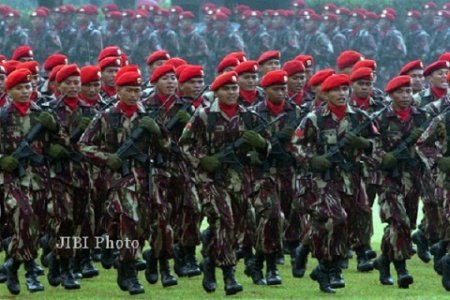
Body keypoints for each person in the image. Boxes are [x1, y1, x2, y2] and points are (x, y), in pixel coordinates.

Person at [180, 71, 271, 295]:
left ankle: (209, 264)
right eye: (226, 89)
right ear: (217, 92)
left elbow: (267, 147)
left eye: (234, 89)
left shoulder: (248, 116)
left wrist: (260, 144)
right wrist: (203, 160)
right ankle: (229, 274)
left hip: (239, 180)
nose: (231, 93)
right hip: (211, 180)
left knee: (237, 227)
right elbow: (184, 145)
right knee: (224, 220)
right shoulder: (204, 116)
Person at [79, 70, 168, 295]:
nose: (133, 94)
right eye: (128, 90)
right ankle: (130, 272)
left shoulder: (148, 116)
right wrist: (107, 158)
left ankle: (120, 256)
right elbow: (84, 145)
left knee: (144, 225)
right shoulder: (106, 116)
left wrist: (157, 132)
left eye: (137, 90)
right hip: (118, 180)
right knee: (131, 221)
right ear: (118, 91)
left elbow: (167, 147)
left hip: (146, 179)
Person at [290, 74, 376, 293]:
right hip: (324, 179)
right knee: (337, 218)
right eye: (336, 91)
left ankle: (308, 249)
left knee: (349, 223)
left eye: (345, 90)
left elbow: (379, 143)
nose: (341, 94)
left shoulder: (360, 117)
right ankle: (331, 268)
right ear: (326, 94)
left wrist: (366, 144)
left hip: (351, 179)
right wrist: (312, 159)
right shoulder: (314, 118)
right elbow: (296, 144)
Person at [373, 75, 428, 289]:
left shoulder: (422, 117)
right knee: (399, 221)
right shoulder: (381, 118)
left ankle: (383, 261)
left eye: (408, 92)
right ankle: (401, 268)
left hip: (412, 177)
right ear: (390, 95)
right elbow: (371, 146)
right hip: (389, 177)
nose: (405, 96)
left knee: (405, 224)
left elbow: (432, 144)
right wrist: (383, 157)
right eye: (400, 92)